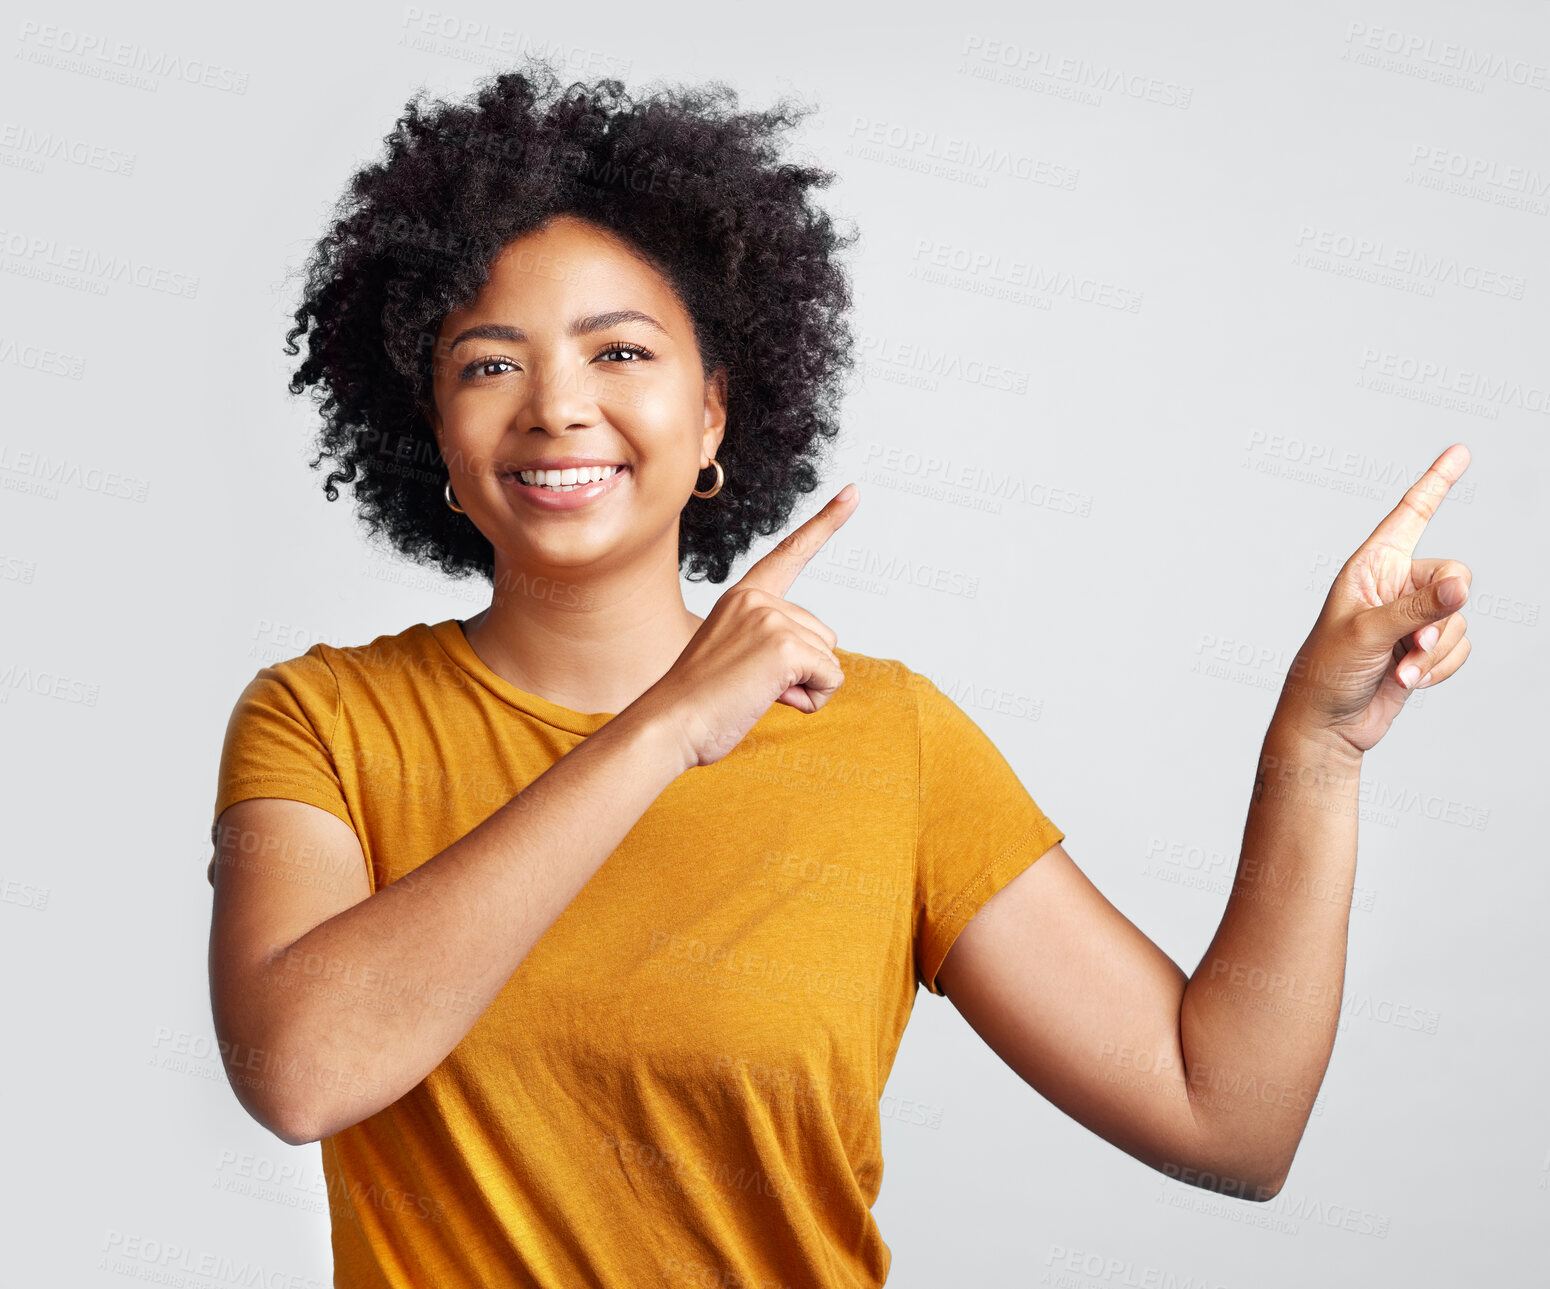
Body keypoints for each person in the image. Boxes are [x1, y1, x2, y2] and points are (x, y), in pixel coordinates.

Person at [206, 60, 1475, 1289]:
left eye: (621, 353)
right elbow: (302, 1070)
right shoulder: (321, 721)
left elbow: (1228, 1122)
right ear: (431, 424)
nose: (554, 406)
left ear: (713, 410)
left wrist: (1314, 751)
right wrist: (662, 729)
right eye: (489, 363)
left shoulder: (887, 742)